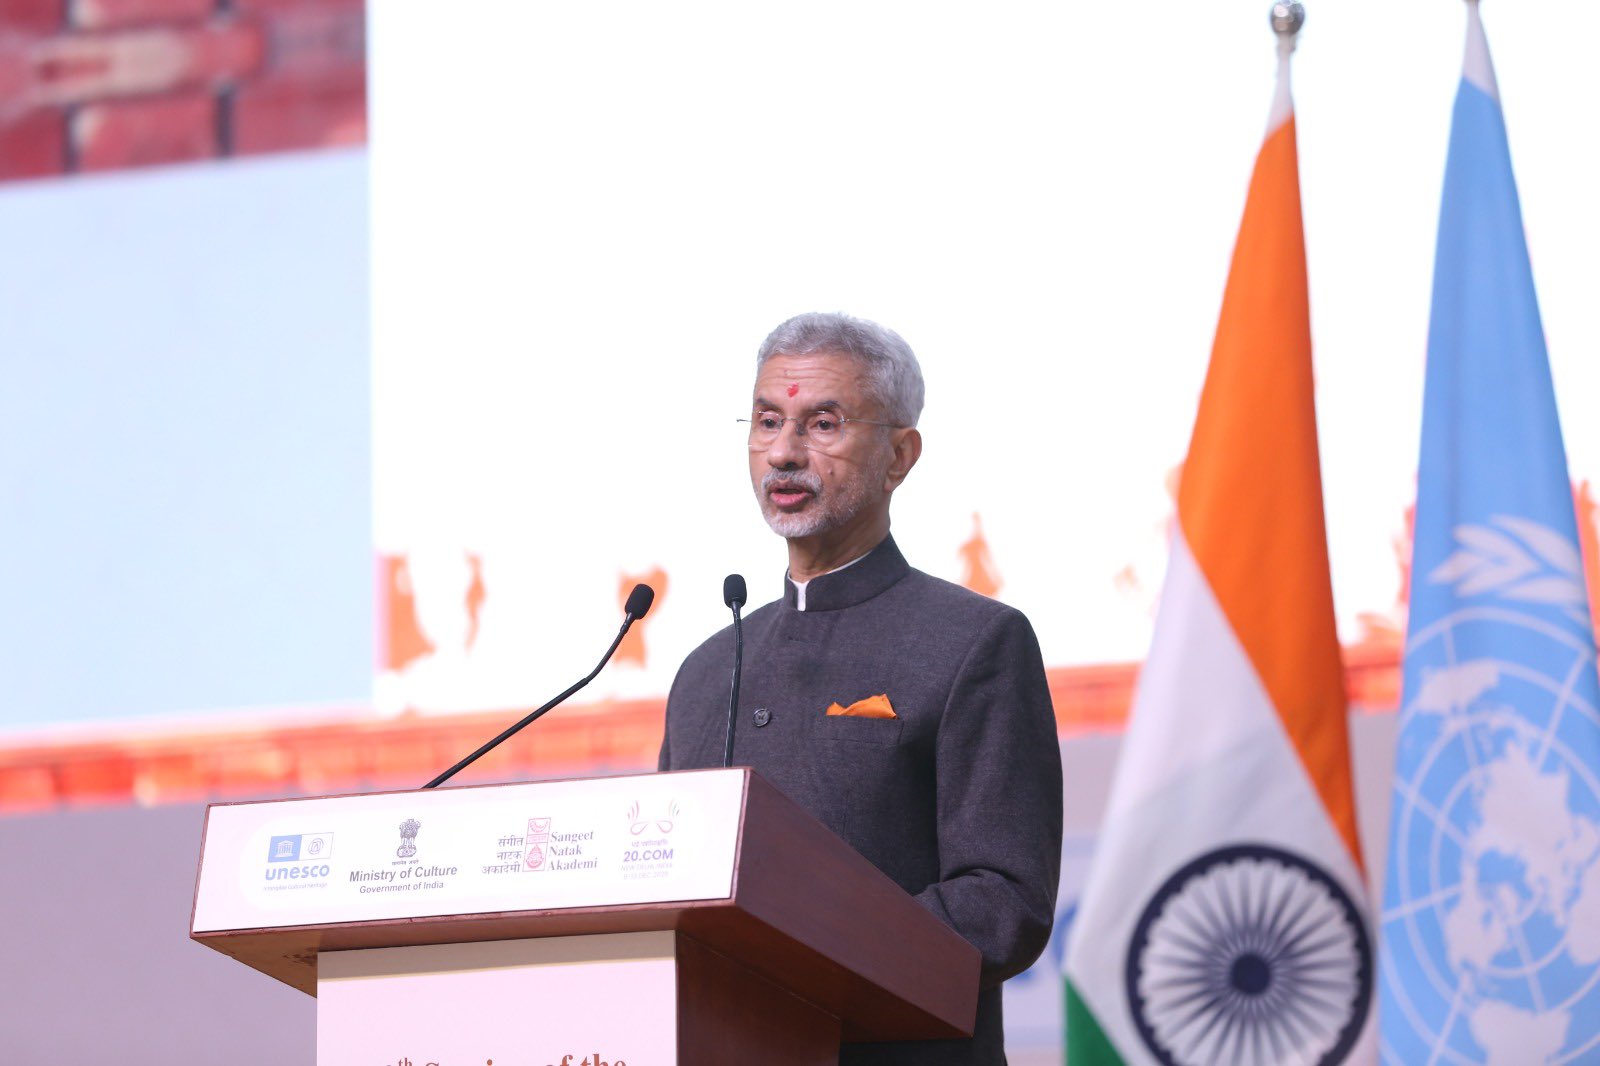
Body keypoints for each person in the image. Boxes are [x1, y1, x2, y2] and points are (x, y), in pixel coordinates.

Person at [658, 312, 1062, 1064]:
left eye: (824, 424)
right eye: (769, 420)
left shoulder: (973, 641)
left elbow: (1005, 902)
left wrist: (810, 957)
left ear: (899, 455)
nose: (784, 452)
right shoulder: (705, 672)